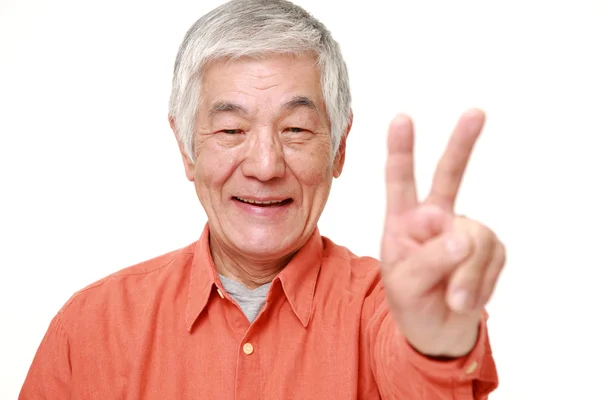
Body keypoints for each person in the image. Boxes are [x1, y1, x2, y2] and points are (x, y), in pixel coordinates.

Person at [19, 0, 505, 399]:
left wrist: (435, 344)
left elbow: (423, 381)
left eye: (295, 129)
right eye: (231, 129)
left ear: (339, 147)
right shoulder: (91, 329)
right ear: (186, 148)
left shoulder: (385, 307)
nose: (266, 166)